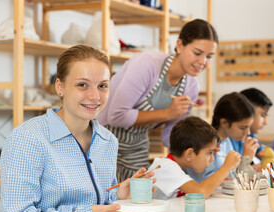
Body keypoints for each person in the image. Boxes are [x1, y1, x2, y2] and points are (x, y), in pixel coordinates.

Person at [0, 45, 153, 212]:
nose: (95, 96)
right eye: (82, 85)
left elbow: (97, 203)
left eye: (102, 86)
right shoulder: (27, 140)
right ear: (60, 87)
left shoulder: (108, 141)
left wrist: (119, 196)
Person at [97, 19, 218, 182]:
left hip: (136, 145)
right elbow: (116, 116)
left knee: (138, 195)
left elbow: (170, 135)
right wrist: (167, 114)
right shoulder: (147, 65)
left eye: (209, 56)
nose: (203, 62)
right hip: (102, 138)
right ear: (180, 45)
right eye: (197, 53)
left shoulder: (191, 88)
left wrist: (198, 149)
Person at [150, 116, 241, 200]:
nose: (212, 159)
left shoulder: (178, 167)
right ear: (189, 154)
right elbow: (200, 193)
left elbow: (200, 186)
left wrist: (219, 181)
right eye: (209, 153)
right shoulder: (164, 167)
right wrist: (227, 167)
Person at [186, 92, 259, 182]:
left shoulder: (227, 141)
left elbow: (231, 175)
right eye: (243, 127)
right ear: (224, 123)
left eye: (249, 127)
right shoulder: (205, 143)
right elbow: (198, 181)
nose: (247, 132)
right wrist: (245, 160)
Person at [230, 88, 274, 167]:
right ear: (247, 112)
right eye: (262, 115)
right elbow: (237, 172)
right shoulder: (232, 137)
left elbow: (266, 157)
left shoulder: (250, 136)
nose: (266, 122)